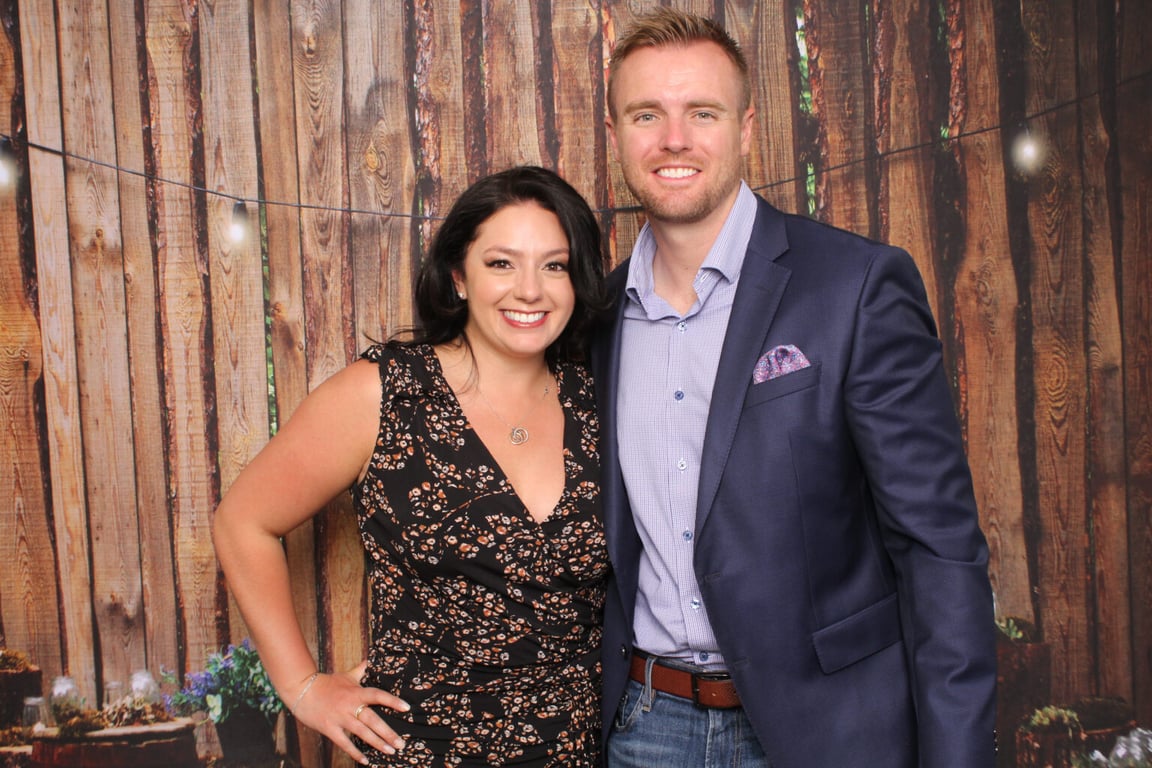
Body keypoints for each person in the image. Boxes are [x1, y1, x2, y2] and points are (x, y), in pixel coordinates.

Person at [591, 9, 997, 768]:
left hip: (829, 732)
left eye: (701, 113)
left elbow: (938, 550)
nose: (673, 139)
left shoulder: (855, 286)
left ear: (746, 128)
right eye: (647, 115)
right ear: (616, 133)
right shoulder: (597, 320)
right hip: (646, 731)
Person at [213, 165, 610, 767]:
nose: (530, 289)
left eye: (553, 265)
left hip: (575, 753)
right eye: (501, 263)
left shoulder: (597, 399)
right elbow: (242, 520)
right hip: (424, 749)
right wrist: (302, 686)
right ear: (458, 277)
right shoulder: (386, 393)